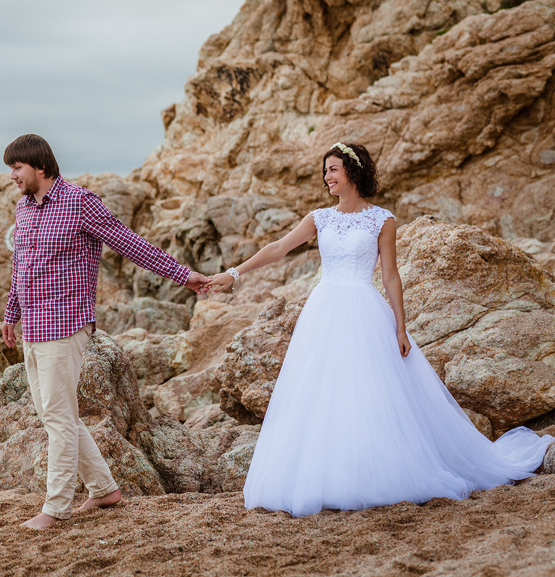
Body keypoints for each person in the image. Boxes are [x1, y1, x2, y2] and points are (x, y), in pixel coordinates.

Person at [205, 142, 554, 517]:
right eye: (325, 170)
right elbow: (278, 248)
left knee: (369, 392)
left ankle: (372, 473)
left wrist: (401, 328)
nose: (326, 177)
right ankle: (326, 475)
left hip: (364, 311)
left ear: (353, 172)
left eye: (333, 169)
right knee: (322, 392)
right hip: (323, 310)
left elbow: (390, 276)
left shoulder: (382, 220)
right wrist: (233, 274)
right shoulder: (319, 218)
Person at [1, 134, 209, 530]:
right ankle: (104, 489)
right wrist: (11, 314)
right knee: (55, 415)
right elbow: (20, 267)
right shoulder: (24, 208)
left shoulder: (80, 202)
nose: (12, 176)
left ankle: (55, 508)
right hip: (32, 326)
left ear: (40, 166)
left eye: (16, 167)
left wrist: (183, 275)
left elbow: (130, 244)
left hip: (64, 325)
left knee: (59, 419)